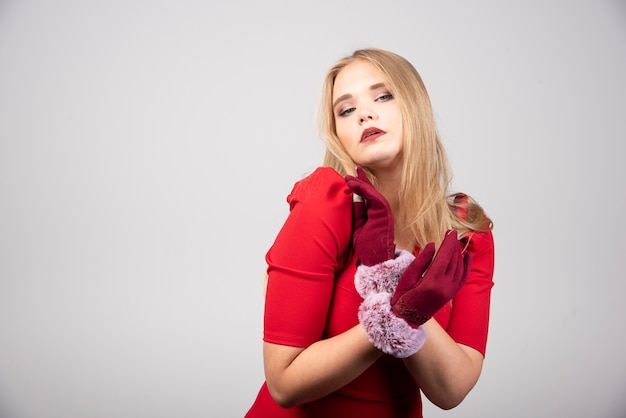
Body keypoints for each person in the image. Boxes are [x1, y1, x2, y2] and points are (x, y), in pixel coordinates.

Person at [245, 48, 495, 418]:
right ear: (339, 135)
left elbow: (451, 389)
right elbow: (284, 383)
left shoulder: (464, 232)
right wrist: (397, 314)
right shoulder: (327, 203)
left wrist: (398, 294)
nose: (364, 112)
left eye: (383, 95)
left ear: (415, 106)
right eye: (346, 110)